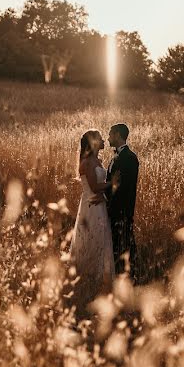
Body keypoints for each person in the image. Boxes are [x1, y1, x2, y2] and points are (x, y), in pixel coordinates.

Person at [70, 129, 114, 305]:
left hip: (99, 204)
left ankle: (98, 277)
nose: (104, 140)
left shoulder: (97, 160)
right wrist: (115, 182)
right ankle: (88, 277)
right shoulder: (87, 162)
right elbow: (95, 187)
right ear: (94, 142)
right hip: (91, 206)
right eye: (101, 138)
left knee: (100, 238)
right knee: (91, 237)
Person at [103, 123, 140, 277]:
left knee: (125, 241)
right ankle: (122, 272)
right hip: (112, 208)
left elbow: (125, 188)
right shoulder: (116, 157)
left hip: (122, 209)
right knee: (118, 243)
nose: (108, 138)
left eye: (110, 134)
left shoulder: (130, 158)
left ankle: (132, 273)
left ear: (118, 135)